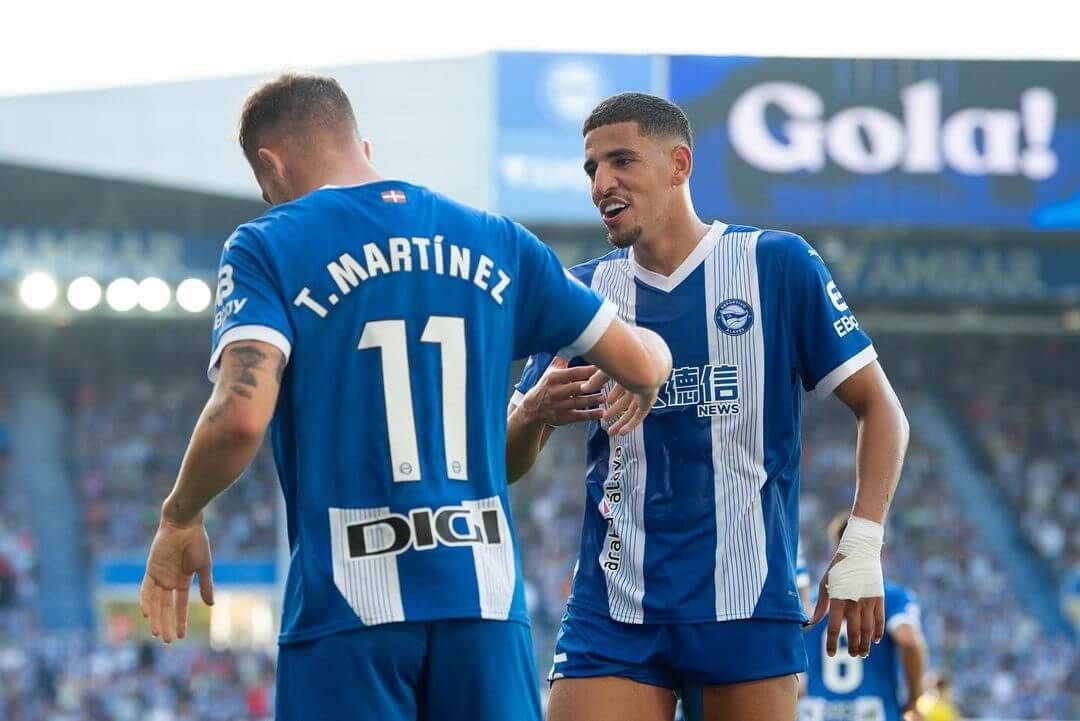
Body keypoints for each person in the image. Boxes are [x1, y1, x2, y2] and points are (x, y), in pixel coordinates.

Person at [139, 74, 672, 721]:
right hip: (483, 604)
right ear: (360, 143)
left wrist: (180, 517)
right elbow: (643, 359)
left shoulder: (268, 244)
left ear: (271, 165)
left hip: (348, 606)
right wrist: (645, 374)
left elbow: (240, 417)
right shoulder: (499, 240)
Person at [506, 92, 910, 721]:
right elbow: (503, 462)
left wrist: (861, 545)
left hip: (746, 604)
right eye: (591, 169)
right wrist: (533, 412)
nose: (601, 184)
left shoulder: (775, 264)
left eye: (620, 161)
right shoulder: (581, 292)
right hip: (614, 609)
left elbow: (880, 407)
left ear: (679, 164)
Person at [801, 513, 927, 721]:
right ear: (879, 551)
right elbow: (910, 641)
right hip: (873, 712)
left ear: (834, 551)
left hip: (816, 713)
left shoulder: (811, 602)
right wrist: (914, 696)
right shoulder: (892, 597)